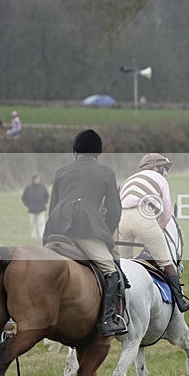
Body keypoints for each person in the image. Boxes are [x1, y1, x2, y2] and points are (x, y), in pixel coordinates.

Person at [43, 129, 126, 336]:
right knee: (111, 270)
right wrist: (105, 231)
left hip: (56, 228)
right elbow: (115, 210)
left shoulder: (61, 171)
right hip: (85, 229)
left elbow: (53, 205)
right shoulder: (106, 172)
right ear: (97, 152)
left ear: (76, 151)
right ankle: (108, 320)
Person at [117, 153, 189, 312]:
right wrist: (156, 229)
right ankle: (180, 301)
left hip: (122, 219)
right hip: (144, 216)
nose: (166, 173)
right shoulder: (160, 180)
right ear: (155, 168)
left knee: (124, 264)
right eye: (165, 169)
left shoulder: (129, 179)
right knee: (166, 262)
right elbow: (166, 212)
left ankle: (120, 304)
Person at [21, 174, 49, 240]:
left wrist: (43, 204)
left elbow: (46, 196)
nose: (37, 180)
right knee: (32, 223)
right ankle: (33, 236)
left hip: (41, 209)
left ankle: (42, 235)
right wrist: (28, 206)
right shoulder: (28, 188)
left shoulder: (43, 187)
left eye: (38, 178)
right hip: (31, 210)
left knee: (41, 223)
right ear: (33, 179)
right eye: (36, 179)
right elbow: (24, 198)